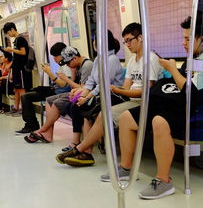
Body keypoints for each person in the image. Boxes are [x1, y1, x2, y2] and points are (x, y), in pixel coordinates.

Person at [98, 13, 203, 200]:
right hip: (181, 104)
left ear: (202, 40)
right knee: (127, 117)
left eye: (187, 39)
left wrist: (172, 70)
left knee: (159, 121)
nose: (183, 43)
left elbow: (193, 93)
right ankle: (127, 168)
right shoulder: (195, 57)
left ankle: (163, 180)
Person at [57, 23, 162, 166]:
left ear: (141, 38)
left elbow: (148, 91)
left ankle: (80, 149)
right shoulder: (131, 61)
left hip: (145, 101)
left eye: (129, 40)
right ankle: (84, 150)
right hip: (130, 98)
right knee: (97, 112)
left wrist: (116, 90)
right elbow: (125, 86)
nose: (127, 44)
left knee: (102, 113)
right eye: (125, 41)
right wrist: (116, 90)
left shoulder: (150, 59)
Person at [62, 31, 124, 152]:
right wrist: (83, 95)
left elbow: (103, 84)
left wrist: (86, 98)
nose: (94, 44)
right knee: (77, 105)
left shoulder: (112, 60)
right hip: (100, 93)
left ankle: (83, 148)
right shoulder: (98, 59)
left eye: (96, 41)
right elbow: (91, 81)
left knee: (84, 108)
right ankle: (86, 149)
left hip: (113, 95)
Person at [24, 46, 93, 143]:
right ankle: (47, 134)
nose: (68, 65)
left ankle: (42, 129)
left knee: (56, 103)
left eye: (68, 63)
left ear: (75, 58)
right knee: (49, 100)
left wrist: (65, 78)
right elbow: (76, 86)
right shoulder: (76, 66)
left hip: (82, 94)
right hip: (74, 91)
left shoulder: (87, 66)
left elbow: (82, 88)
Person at [15, 42, 72, 135]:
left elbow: (64, 85)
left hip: (58, 92)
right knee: (31, 92)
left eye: (55, 56)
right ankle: (31, 124)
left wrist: (49, 73)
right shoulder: (62, 66)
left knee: (26, 96)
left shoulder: (67, 67)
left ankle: (32, 125)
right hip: (54, 89)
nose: (54, 59)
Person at [3, 22, 31, 115]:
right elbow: (16, 57)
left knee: (22, 89)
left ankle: (25, 108)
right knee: (17, 88)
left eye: (8, 33)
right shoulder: (15, 41)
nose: (9, 35)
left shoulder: (21, 39)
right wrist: (10, 66)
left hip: (22, 68)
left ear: (12, 29)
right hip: (16, 68)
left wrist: (11, 50)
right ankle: (16, 107)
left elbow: (23, 52)